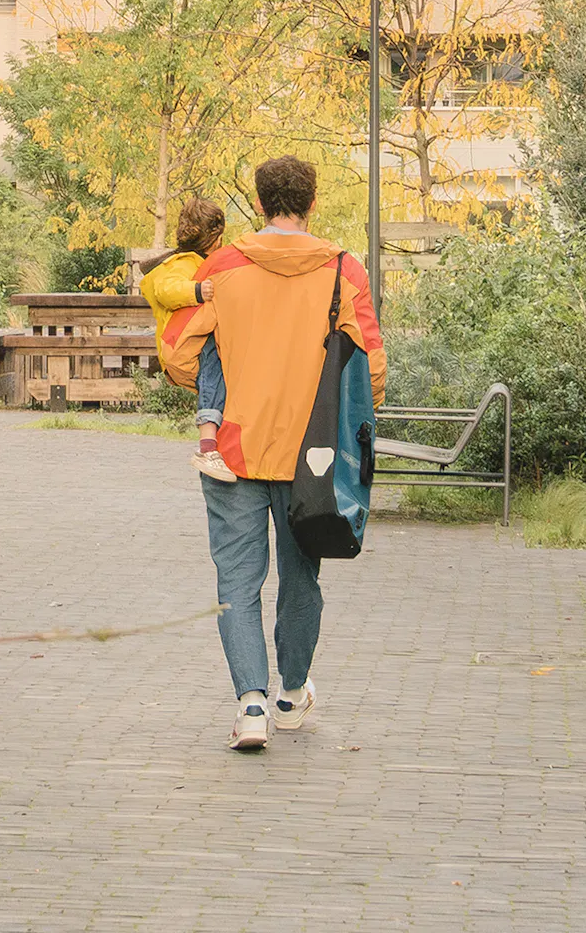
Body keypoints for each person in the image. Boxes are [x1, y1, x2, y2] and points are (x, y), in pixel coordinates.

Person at [163, 153, 383, 752]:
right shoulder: (345, 269)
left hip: (233, 452)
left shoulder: (225, 265)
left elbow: (181, 350)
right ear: (312, 204)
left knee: (237, 582)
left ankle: (250, 705)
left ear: (258, 204)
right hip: (309, 457)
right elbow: (371, 371)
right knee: (300, 576)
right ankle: (291, 695)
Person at [138, 195, 231, 456]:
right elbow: (166, 290)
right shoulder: (181, 264)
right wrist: (198, 290)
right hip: (182, 346)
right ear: (216, 237)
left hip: (187, 344)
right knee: (216, 358)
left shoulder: (198, 261)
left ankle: (221, 436)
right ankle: (208, 438)